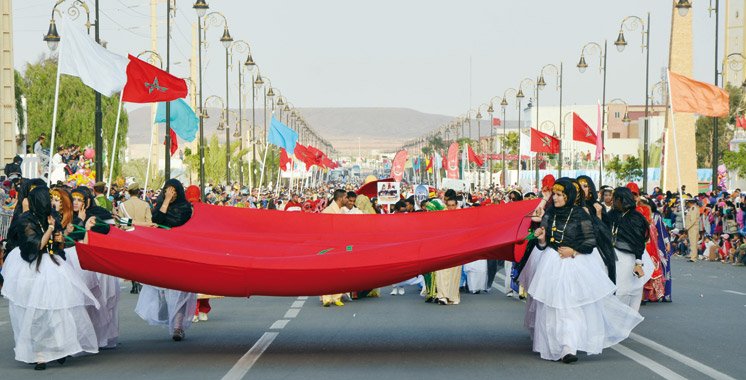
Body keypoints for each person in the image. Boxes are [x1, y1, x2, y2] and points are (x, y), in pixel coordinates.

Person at [523, 178, 643, 363]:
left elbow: (590, 241)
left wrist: (573, 251)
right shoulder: (550, 214)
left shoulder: (580, 214)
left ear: (568, 196)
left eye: (559, 195)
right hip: (552, 263)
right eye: (554, 194)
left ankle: (568, 348)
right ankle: (555, 346)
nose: (555, 198)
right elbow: (543, 243)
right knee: (552, 309)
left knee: (571, 308)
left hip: (575, 263)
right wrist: (540, 237)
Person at [1, 186, 100, 370]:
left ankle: (60, 348)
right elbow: (36, 245)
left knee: (58, 310)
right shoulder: (25, 220)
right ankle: (40, 355)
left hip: (53, 265)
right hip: (33, 268)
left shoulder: (53, 216)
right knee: (37, 313)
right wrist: (50, 230)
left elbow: (57, 245)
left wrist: (60, 236)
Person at [135, 179, 197, 341]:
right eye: (168, 191)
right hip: (162, 252)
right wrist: (166, 202)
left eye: (174, 191)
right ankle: (167, 315)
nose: (171, 194)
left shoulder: (184, 208)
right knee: (162, 289)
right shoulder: (160, 204)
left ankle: (178, 326)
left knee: (181, 290)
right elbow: (156, 220)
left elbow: (177, 223)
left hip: (181, 253)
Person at [68, 186, 119, 349]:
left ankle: (104, 337)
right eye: (73, 199)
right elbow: (69, 235)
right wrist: (81, 223)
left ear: (87, 201)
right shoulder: (68, 215)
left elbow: (109, 231)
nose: (75, 203)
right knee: (83, 301)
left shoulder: (100, 213)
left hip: (98, 263)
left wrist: (89, 227)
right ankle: (86, 339)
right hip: (76, 263)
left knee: (103, 301)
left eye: (79, 200)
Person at [604, 187, 654, 312]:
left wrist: (638, 263)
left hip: (631, 260)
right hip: (613, 259)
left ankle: (626, 324)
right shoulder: (612, 214)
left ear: (621, 200)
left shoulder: (636, 217)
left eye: (615, 199)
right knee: (614, 292)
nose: (612, 201)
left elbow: (639, 242)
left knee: (629, 293)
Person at [319, 189, 347, 306]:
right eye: (345, 197)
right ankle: (326, 298)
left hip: (340, 246)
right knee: (327, 272)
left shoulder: (343, 211)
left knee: (339, 272)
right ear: (340, 198)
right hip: (328, 246)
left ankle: (337, 297)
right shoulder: (328, 211)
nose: (346, 199)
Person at [433, 197, 463, 305]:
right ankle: (442, 296)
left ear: (456, 205)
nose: (451, 207)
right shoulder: (441, 217)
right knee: (442, 272)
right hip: (443, 249)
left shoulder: (461, 217)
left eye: (453, 205)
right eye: (449, 205)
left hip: (456, 249)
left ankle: (452, 296)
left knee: (454, 274)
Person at [685, 198, 700, 262]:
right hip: (692, 228)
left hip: (693, 228)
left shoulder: (693, 209)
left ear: (690, 202)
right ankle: (693, 255)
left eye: (687, 203)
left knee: (693, 242)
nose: (687, 204)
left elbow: (693, 220)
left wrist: (687, 227)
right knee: (692, 242)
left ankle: (693, 258)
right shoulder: (692, 209)